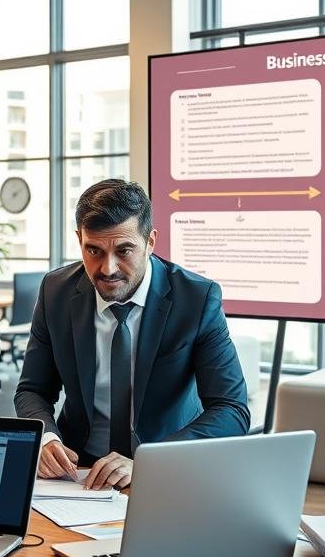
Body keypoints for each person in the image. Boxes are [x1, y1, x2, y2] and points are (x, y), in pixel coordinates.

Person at [15, 179, 249, 491]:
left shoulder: (196, 299)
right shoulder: (55, 291)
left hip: (167, 470)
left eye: (124, 250)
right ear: (79, 240)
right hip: (78, 472)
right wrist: (46, 438)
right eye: (93, 250)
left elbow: (231, 409)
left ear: (150, 241)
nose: (108, 268)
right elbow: (32, 390)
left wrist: (149, 462)